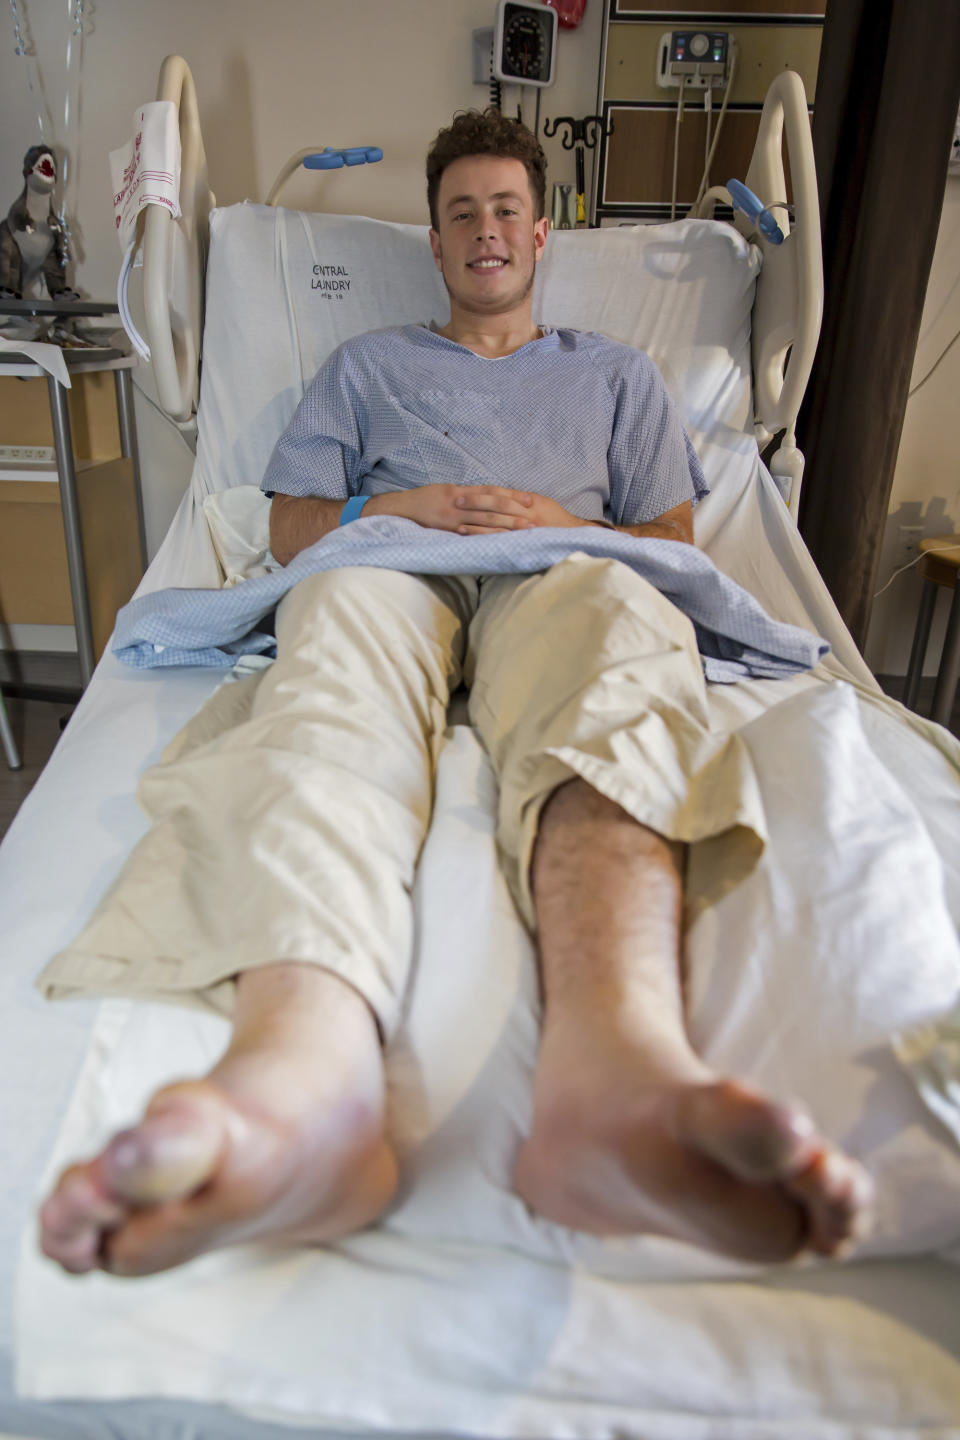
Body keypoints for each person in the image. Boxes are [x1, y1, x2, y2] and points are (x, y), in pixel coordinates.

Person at [39, 109, 872, 1279]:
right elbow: (289, 531)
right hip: (390, 569)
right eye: (461, 213)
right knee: (328, 676)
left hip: (567, 572)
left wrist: (561, 525)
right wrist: (405, 512)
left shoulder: (618, 379)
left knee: (619, 650)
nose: (486, 231)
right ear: (434, 244)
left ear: (544, 233)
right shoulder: (367, 368)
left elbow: (674, 539)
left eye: (505, 211)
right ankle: (304, 1081)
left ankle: (618, 1069)